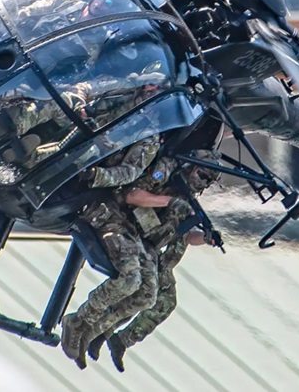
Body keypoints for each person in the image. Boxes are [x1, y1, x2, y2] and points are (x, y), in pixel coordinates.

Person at [86, 150, 222, 372]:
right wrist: (169, 201)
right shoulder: (166, 172)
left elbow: (185, 235)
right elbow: (132, 195)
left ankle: (118, 339)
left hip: (155, 250)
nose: (203, 184)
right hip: (130, 232)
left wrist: (207, 238)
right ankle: (97, 330)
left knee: (164, 301)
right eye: (203, 176)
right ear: (193, 167)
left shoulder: (187, 199)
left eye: (209, 181)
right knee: (142, 290)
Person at [59, 134, 162, 370]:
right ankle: (79, 321)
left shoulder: (158, 138)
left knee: (148, 294)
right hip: (98, 205)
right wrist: (96, 175)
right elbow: (129, 178)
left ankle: (91, 333)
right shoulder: (147, 127)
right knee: (130, 280)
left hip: (119, 215)